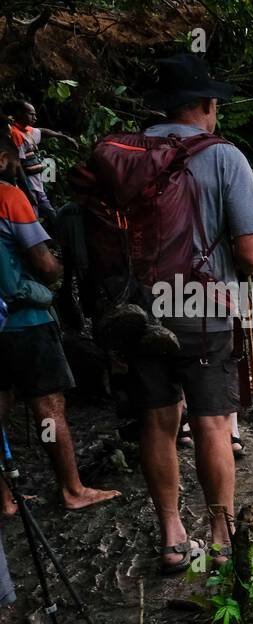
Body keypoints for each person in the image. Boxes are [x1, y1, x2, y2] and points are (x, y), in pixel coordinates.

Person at [106, 54, 253, 572]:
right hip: (201, 311)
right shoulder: (225, 158)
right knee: (214, 424)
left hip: (138, 311)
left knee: (157, 422)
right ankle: (220, 538)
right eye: (214, 103)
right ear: (204, 105)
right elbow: (251, 254)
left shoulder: (126, 154)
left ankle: (174, 539)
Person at [0, 134, 119, 518]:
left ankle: (4, 498)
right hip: (25, 322)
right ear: (3, 159)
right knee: (48, 407)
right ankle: (71, 487)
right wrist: (55, 270)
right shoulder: (8, 197)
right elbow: (46, 266)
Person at [3, 100, 67, 220]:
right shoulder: (15, 134)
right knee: (33, 217)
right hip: (28, 186)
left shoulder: (27, 131)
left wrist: (63, 136)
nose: (35, 118)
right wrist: (27, 192)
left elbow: (42, 131)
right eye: (31, 114)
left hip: (37, 185)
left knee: (51, 216)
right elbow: (18, 166)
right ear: (18, 113)